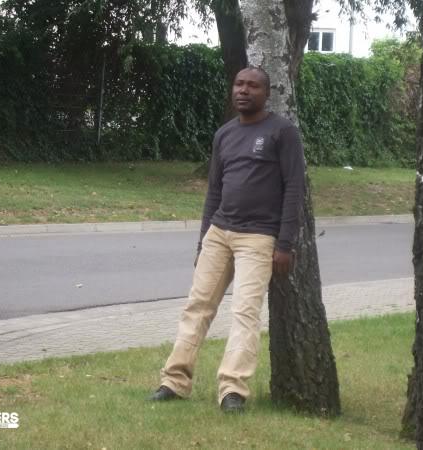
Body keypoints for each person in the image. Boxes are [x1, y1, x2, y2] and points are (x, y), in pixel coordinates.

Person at [150, 66, 305, 413]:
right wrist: (202, 241)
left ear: (267, 93)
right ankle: (174, 382)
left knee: (245, 312)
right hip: (219, 233)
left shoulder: (282, 132)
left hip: (259, 237)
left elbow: (295, 189)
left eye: (253, 86)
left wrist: (285, 244)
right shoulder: (224, 134)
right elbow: (214, 191)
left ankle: (232, 390)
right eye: (239, 84)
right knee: (197, 306)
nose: (244, 90)